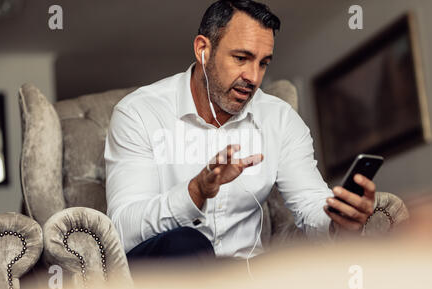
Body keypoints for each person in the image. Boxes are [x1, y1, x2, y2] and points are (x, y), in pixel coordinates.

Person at [104, 0, 377, 269]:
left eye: (263, 63)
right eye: (241, 58)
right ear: (203, 50)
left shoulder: (280, 120)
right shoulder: (138, 113)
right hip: (165, 278)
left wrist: (338, 221)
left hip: (245, 278)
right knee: (186, 243)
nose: (253, 77)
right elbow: (123, 229)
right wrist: (195, 192)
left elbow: (309, 203)